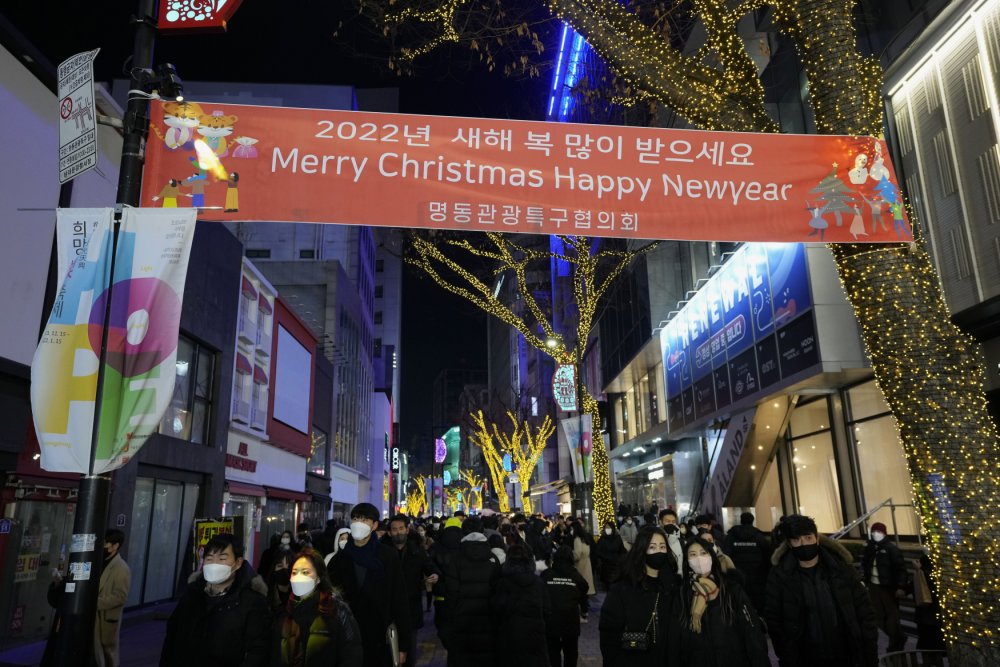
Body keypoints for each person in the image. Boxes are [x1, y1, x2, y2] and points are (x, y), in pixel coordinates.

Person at [764, 514, 877, 667]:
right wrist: (787, 655)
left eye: (808, 538)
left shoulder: (841, 568)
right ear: (789, 544)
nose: (803, 544)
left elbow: (864, 611)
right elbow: (774, 620)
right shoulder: (779, 576)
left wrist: (869, 654)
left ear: (817, 538)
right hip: (805, 659)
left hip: (847, 656)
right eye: (797, 540)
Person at [160, 533, 271, 667]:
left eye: (222, 558)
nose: (214, 564)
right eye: (209, 558)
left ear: (238, 563)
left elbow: (258, 651)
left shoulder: (252, 602)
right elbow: (172, 639)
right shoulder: (191, 595)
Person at [326, 503, 411, 667]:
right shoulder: (339, 560)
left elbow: (399, 600)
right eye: (356, 519)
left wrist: (403, 645)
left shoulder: (387, 556)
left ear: (375, 525)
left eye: (365, 520)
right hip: (345, 640)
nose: (359, 523)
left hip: (378, 638)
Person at [665, 536, 769, 667]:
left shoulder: (731, 589)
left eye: (703, 553)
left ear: (711, 557)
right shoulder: (682, 594)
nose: (699, 558)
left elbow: (752, 633)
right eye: (693, 555)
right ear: (687, 561)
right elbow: (675, 640)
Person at [599, 526, 676, 667]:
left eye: (662, 547)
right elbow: (608, 633)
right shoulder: (623, 588)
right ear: (642, 550)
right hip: (632, 660)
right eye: (652, 547)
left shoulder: (673, 586)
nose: (658, 551)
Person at [273, 546, 363, 667]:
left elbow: (351, 653)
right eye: (295, 572)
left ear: (318, 578)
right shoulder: (286, 613)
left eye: (305, 572)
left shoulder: (336, 609)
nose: (299, 577)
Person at [440, 516, 501, 667]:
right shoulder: (493, 558)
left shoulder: (455, 559)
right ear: (482, 531)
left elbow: (451, 594)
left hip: (461, 623)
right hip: (487, 622)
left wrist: (448, 622)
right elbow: (498, 592)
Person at [385, 515, 439, 666]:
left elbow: (429, 566)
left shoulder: (417, 551)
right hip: (386, 608)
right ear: (389, 532)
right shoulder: (382, 552)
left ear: (407, 530)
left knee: (408, 652)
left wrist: (434, 574)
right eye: (394, 530)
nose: (398, 532)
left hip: (410, 607)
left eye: (401, 529)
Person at [491, 542, 550, 667]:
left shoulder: (502, 583)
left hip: (508, 634)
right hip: (534, 634)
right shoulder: (538, 583)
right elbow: (547, 609)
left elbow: (496, 609)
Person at [861, 522, 907, 652]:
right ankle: (898, 637)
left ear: (884, 533)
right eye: (874, 531)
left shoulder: (891, 549)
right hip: (874, 587)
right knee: (877, 616)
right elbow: (865, 565)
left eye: (879, 532)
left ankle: (895, 643)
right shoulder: (870, 548)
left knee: (892, 616)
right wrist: (865, 580)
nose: (876, 534)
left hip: (888, 588)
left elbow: (900, 569)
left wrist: (901, 586)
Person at [542, 546, 589, 667]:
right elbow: (584, 589)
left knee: (553, 652)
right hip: (570, 620)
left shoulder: (546, 575)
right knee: (571, 652)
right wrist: (584, 610)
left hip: (551, 620)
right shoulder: (575, 576)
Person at [95, 529, 131, 667]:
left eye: (106, 543)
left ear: (115, 546)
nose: (103, 546)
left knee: (107, 654)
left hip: (106, 618)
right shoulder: (100, 561)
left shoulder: (121, 568)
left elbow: (120, 597)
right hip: (97, 618)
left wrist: (96, 603)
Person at [725, 512, 772, 613]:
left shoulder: (731, 536)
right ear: (752, 521)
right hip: (757, 578)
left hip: (738, 577)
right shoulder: (759, 536)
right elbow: (767, 556)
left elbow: (726, 555)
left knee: (739, 605)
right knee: (757, 605)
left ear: (741, 521)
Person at [596, 521, 627, 591]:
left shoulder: (617, 538)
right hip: (606, 564)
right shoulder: (602, 539)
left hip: (616, 564)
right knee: (608, 585)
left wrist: (620, 558)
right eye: (606, 527)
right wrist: (606, 557)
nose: (608, 529)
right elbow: (598, 551)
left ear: (612, 528)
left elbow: (622, 550)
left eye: (609, 527)